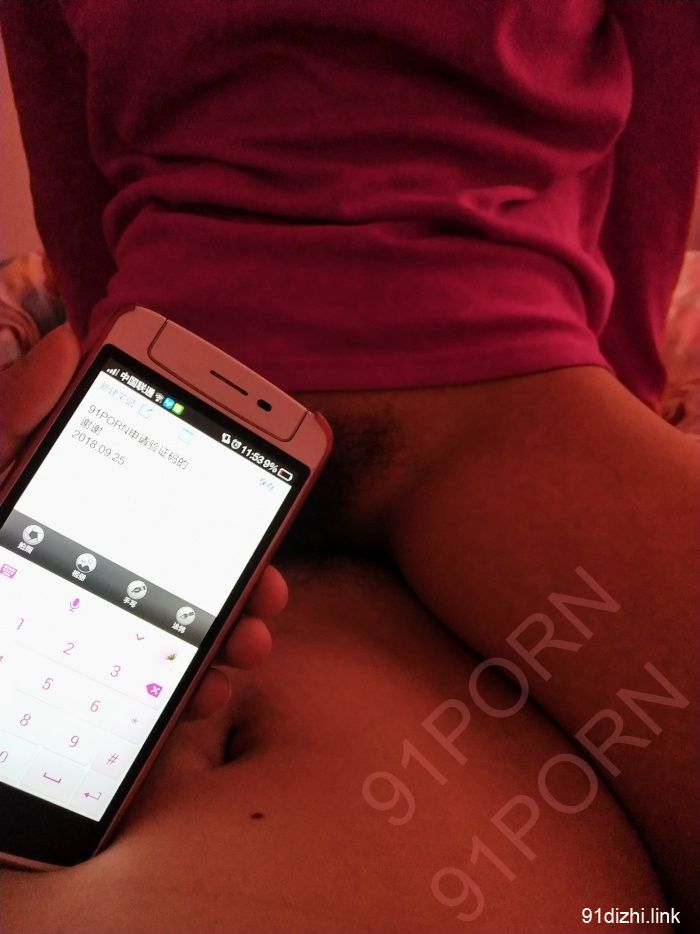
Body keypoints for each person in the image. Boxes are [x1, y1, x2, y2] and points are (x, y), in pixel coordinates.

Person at [1, 1, 698, 931]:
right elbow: (657, 133)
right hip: (484, 395)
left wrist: (117, 359)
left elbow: (66, 157)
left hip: (188, 389)